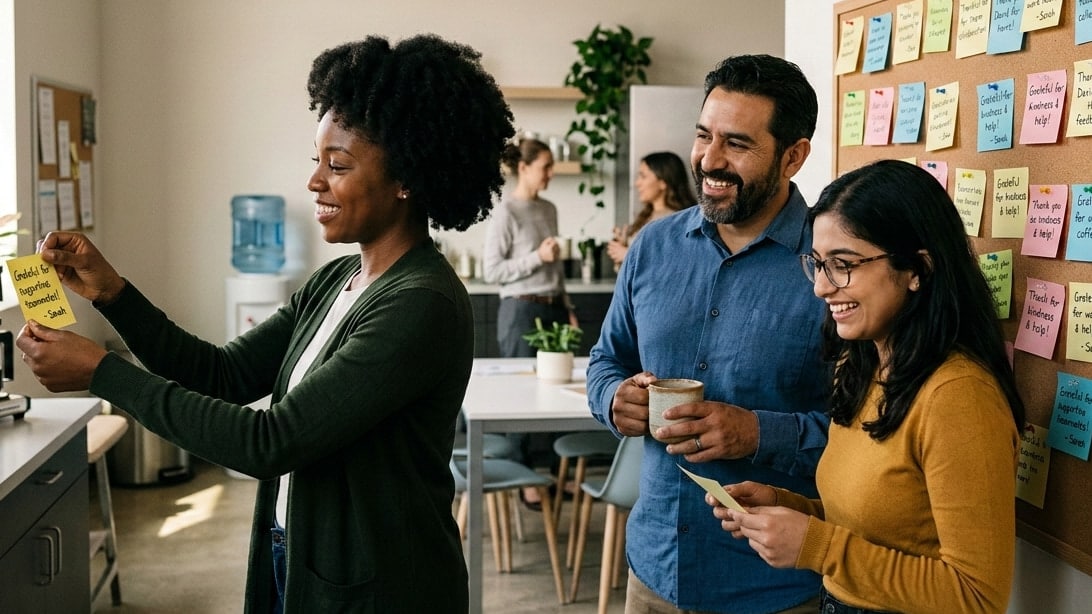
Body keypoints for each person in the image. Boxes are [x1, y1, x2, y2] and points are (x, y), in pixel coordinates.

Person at [17, 34, 515, 614]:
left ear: (407, 179)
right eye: (317, 162)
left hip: (379, 587)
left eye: (339, 165)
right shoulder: (336, 282)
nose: (314, 182)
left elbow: (270, 442)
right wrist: (112, 293)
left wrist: (104, 374)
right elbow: (223, 373)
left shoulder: (421, 303)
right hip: (298, 555)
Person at [709, 159, 1025, 614]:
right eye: (817, 264)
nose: (821, 287)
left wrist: (818, 547)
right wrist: (791, 509)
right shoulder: (862, 368)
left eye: (843, 264)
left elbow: (977, 596)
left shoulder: (958, 397)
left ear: (917, 268)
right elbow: (877, 529)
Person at [586, 54, 830, 613]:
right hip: (653, 575)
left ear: (793, 156)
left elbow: (872, 436)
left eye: (737, 144)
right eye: (703, 136)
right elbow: (606, 359)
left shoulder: (832, 265)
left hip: (774, 589)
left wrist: (759, 433)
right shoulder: (652, 246)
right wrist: (612, 398)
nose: (709, 161)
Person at [481, 136, 579, 510]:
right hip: (521, 310)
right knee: (520, 396)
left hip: (554, 307)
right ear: (524, 168)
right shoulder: (505, 211)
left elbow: (555, 266)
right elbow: (493, 270)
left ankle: (557, 472)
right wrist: (536, 257)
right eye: (546, 167)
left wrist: (567, 305)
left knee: (561, 390)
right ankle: (523, 478)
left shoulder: (550, 209)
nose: (551, 174)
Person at [606, 151, 696, 267]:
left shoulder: (679, 221)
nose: (637, 183)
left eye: (643, 176)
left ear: (663, 182)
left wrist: (628, 255)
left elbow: (676, 265)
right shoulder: (646, 216)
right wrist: (624, 246)